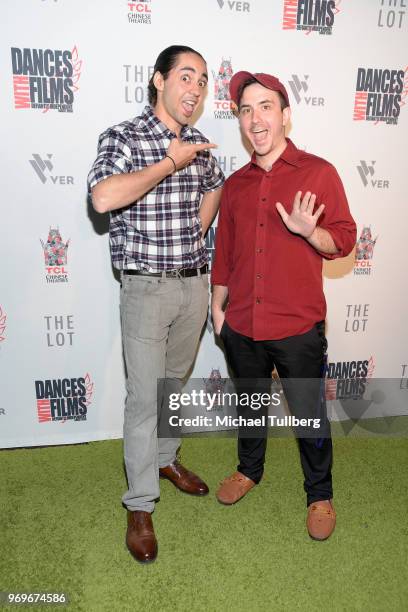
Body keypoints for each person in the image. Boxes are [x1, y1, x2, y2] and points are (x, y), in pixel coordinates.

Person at [88, 45, 224, 563]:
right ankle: (140, 502)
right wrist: (170, 162)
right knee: (144, 398)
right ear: (159, 80)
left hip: (192, 285)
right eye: (186, 76)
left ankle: (167, 460)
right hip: (145, 288)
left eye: (203, 81)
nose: (195, 89)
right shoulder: (125, 136)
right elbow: (102, 198)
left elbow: (214, 189)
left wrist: (195, 232)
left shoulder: (202, 147)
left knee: (172, 387)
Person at [211, 71, 356, 540]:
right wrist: (218, 306)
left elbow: (345, 240)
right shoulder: (235, 184)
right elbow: (226, 251)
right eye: (246, 110)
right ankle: (248, 469)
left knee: (309, 414)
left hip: (296, 325)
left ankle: (320, 494)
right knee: (250, 405)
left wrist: (308, 232)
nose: (255, 119)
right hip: (242, 322)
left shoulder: (319, 173)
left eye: (265, 107)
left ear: (285, 116)